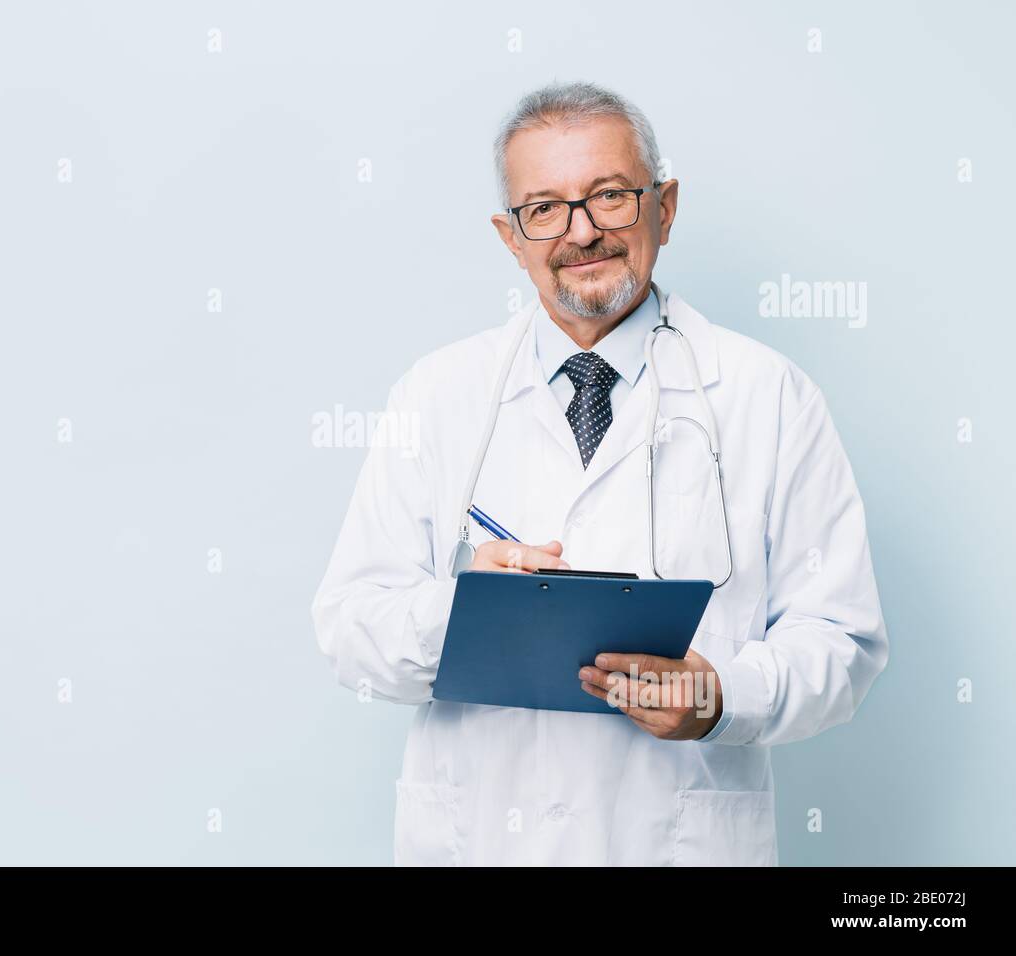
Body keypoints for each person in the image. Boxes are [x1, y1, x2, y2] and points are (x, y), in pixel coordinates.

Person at [310, 81, 888, 866]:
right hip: (478, 839)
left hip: (675, 841)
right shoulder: (438, 394)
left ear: (665, 206)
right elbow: (349, 629)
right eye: (544, 208)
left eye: (610, 196)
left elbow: (843, 639)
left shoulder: (769, 396)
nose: (581, 233)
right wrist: (468, 609)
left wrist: (721, 697)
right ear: (509, 237)